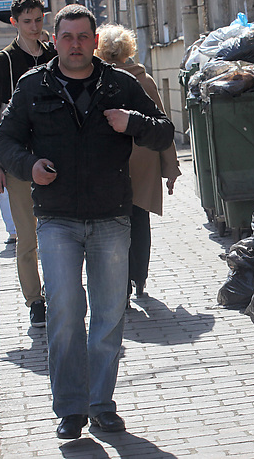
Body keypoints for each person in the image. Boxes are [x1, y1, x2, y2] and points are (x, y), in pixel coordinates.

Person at [0, 4, 175, 440]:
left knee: (110, 315)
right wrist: (29, 165)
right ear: (54, 41)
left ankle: (101, 403)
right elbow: (5, 139)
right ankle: (71, 409)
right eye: (67, 37)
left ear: (95, 41)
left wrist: (133, 122)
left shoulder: (121, 84)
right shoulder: (33, 86)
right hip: (56, 218)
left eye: (82, 37)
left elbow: (165, 132)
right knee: (66, 313)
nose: (75, 44)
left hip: (112, 216)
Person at [0, 0, 56, 328]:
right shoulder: (3, 61)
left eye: (38, 20)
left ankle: (58, 291)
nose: (34, 27)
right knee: (28, 236)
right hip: (17, 158)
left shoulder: (53, 55)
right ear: (15, 22)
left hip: (55, 156)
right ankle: (35, 300)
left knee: (60, 231)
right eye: (27, 21)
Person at [95, 23, 180, 304]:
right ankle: (139, 277)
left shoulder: (100, 81)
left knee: (114, 222)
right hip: (144, 160)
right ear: (128, 50)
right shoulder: (144, 80)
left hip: (111, 160)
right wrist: (170, 168)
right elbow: (163, 126)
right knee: (139, 218)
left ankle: (123, 282)